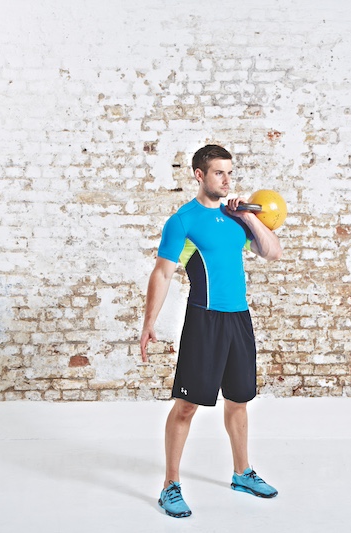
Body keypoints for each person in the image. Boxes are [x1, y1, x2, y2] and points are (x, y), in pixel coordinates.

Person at [139, 144, 283, 518]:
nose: (227, 179)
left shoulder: (237, 218)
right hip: (205, 321)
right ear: (200, 176)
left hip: (239, 319)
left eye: (230, 172)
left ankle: (242, 473)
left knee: (239, 400)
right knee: (187, 406)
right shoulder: (183, 221)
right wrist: (148, 323)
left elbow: (272, 252)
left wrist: (249, 217)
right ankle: (170, 485)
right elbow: (163, 272)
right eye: (219, 172)